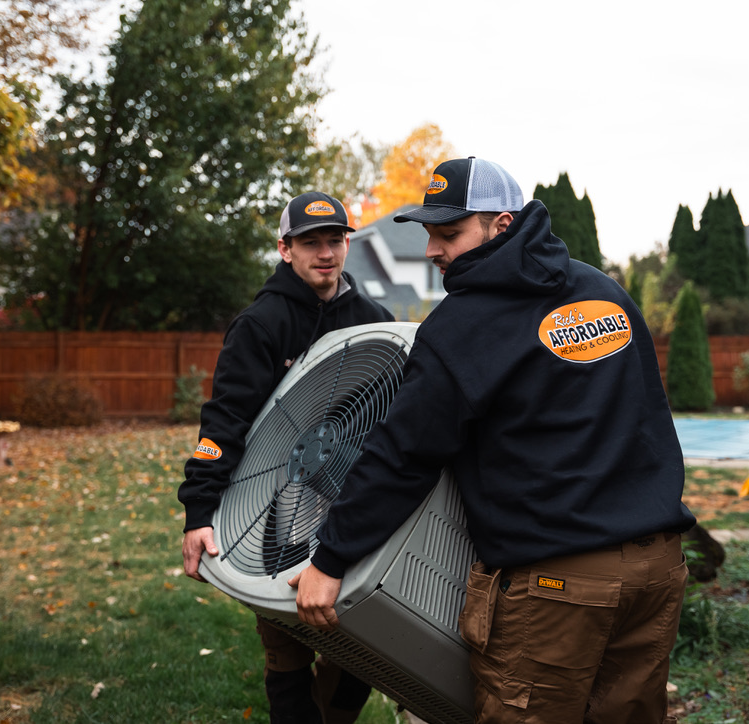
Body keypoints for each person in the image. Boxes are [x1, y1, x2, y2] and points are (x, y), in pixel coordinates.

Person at [290, 158, 696, 723]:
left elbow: (404, 456)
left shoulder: (462, 327)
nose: (433, 250)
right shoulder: (604, 292)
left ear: (501, 225)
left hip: (559, 583)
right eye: (430, 233)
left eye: (449, 233)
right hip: (657, 570)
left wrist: (330, 559)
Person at [179, 190, 393, 724]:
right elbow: (223, 422)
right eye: (311, 242)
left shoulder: (374, 322)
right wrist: (200, 510)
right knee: (287, 645)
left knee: (361, 640)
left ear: (348, 244)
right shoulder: (261, 324)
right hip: (274, 505)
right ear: (285, 248)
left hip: (353, 504)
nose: (326, 253)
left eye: (336, 240)